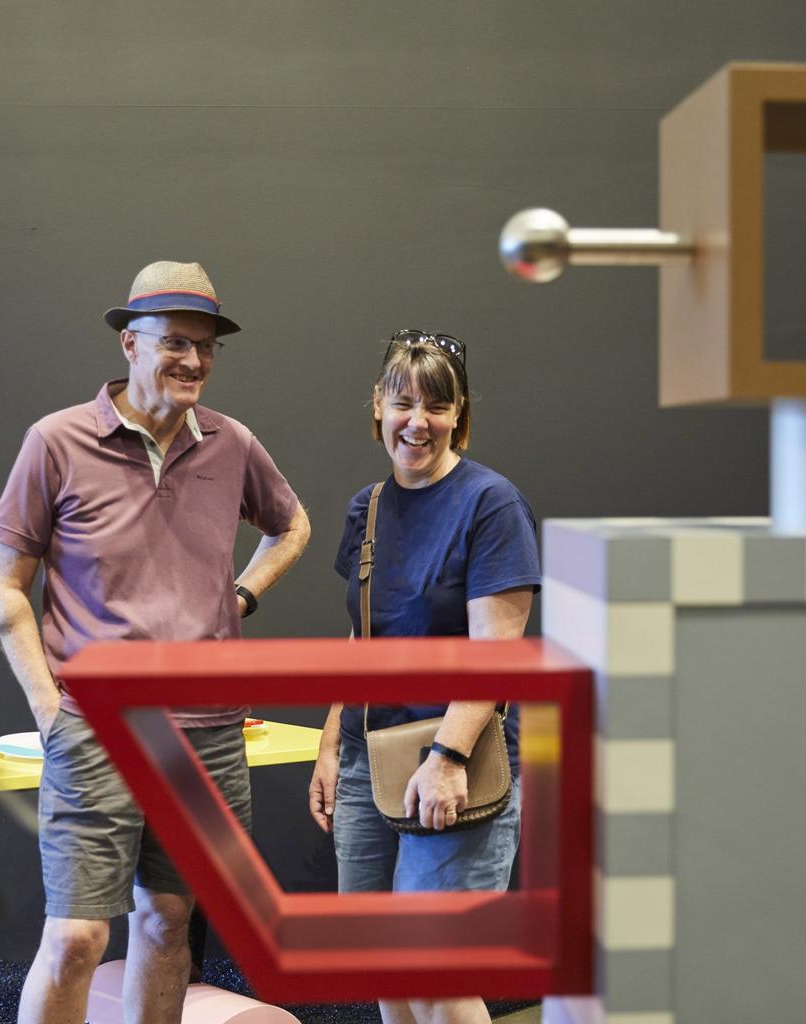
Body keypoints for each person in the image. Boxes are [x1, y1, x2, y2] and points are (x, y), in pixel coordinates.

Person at [0, 261, 310, 1024]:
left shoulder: (231, 442)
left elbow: (291, 525)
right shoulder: (57, 441)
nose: (194, 360)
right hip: (95, 727)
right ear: (130, 343)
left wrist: (240, 595)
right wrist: (50, 710)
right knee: (76, 937)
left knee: (168, 924)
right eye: (175, 343)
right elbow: (7, 585)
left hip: (208, 732)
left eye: (207, 346)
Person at [310, 330, 541, 1024]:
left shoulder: (491, 504)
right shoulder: (369, 507)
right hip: (369, 760)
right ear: (377, 407)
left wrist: (447, 758)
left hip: (455, 761)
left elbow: (496, 655)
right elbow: (363, 638)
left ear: (459, 414)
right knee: (383, 961)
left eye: (437, 406)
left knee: (437, 974)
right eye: (403, 403)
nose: (418, 422)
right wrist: (331, 743)